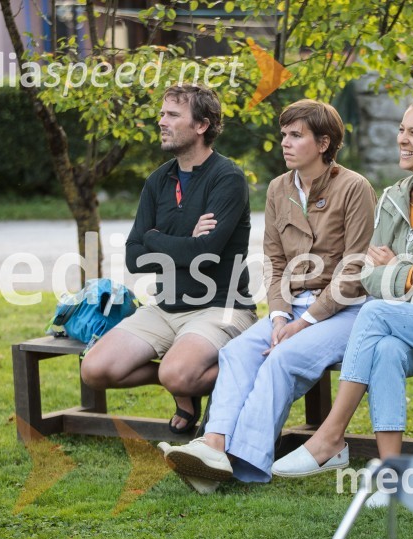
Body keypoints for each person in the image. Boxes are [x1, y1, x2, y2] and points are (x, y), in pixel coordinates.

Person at [271, 98, 413, 507]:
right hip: (410, 326)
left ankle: (329, 437)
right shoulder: (395, 197)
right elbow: (368, 277)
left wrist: (401, 268)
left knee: (378, 314)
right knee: (385, 348)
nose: (402, 139)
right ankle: (393, 478)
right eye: (402, 129)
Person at [159, 99, 377, 493]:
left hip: (346, 312)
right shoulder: (279, 188)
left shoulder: (354, 187)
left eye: (297, 135)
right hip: (290, 308)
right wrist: (279, 317)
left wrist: (305, 322)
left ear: (324, 143)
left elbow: (355, 269)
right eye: (284, 135)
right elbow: (274, 262)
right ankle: (212, 446)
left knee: (283, 358)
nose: (285, 143)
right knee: (237, 352)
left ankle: (241, 463)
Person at [80, 85, 257, 435]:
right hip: (165, 307)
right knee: (94, 369)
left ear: (202, 125)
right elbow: (133, 258)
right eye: (162, 114)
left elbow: (205, 256)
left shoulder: (227, 178)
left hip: (221, 306)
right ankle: (185, 387)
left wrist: (155, 238)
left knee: (175, 372)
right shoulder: (158, 181)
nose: (161, 121)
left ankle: (218, 377)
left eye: (172, 115)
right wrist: (185, 241)